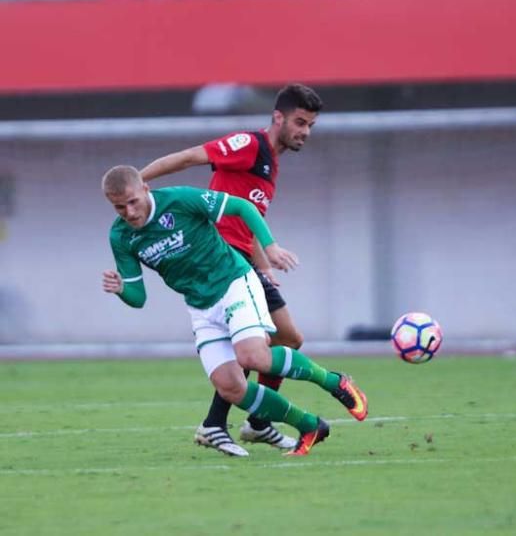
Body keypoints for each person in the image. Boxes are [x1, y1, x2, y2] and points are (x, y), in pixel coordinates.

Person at [140, 84, 366, 457]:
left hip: (243, 259)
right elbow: (189, 156)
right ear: (278, 117)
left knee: (285, 339)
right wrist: (140, 180)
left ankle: (240, 423)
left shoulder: (271, 162)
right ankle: (249, 421)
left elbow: (247, 217)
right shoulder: (248, 145)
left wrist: (264, 262)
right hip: (224, 260)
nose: (304, 132)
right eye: (299, 122)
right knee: (272, 343)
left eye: (310, 125)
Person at [101, 166, 368, 457]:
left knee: (253, 357)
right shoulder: (120, 236)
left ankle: (334, 381)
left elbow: (242, 206)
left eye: (133, 202)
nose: (129, 212)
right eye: (119, 207)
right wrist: (121, 290)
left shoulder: (180, 200)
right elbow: (139, 298)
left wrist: (270, 247)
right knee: (230, 387)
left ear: (145, 189)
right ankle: (309, 425)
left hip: (234, 283)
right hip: (201, 307)